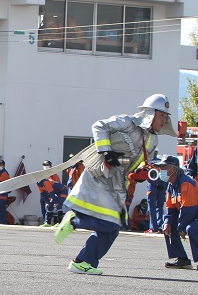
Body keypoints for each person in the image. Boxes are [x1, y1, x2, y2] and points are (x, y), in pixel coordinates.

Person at [55, 93, 175, 275]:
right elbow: (99, 125)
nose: (164, 120)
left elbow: (138, 165)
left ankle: (83, 261)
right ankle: (74, 222)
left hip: (118, 182)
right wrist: (106, 151)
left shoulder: (153, 140)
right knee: (110, 223)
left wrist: (140, 175)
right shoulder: (128, 122)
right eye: (161, 115)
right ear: (150, 114)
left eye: (166, 117)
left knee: (113, 228)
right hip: (103, 174)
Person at [153, 155, 198, 270]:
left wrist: (181, 227)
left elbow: (189, 209)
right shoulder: (171, 185)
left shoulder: (186, 183)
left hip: (193, 215)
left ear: (173, 169)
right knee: (168, 226)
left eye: (164, 167)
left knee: (191, 228)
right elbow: (171, 208)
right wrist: (167, 222)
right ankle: (182, 259)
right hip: (190, 215)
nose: (161, 170)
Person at [145, 157, 166, 234]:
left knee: (152, 209)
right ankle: (160, 226)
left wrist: (156, 184)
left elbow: (148, 176)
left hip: (152, 188)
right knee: (159, 208)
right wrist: (163, 186)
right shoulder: (162, 163)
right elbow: (165, 177)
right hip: (161, 189)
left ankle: (153, 228)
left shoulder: (150, 163)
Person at [39, 160, 62, 224]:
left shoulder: (54, 174)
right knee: (43, 208)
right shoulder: (41, 174)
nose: (45, 167)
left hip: (50, 193)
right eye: (44, 165)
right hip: (43, 193)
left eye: (47, 165)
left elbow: (58, 184)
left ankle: (48, 222)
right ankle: (45, 221)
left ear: (50, 166)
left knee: (49, 207)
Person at [0, 159, 10, 224]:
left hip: (2, 194)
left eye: (0, 165)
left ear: (3, 165)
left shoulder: (4, 173)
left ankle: (2, 221)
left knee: (1, 209)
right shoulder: (0, 173)